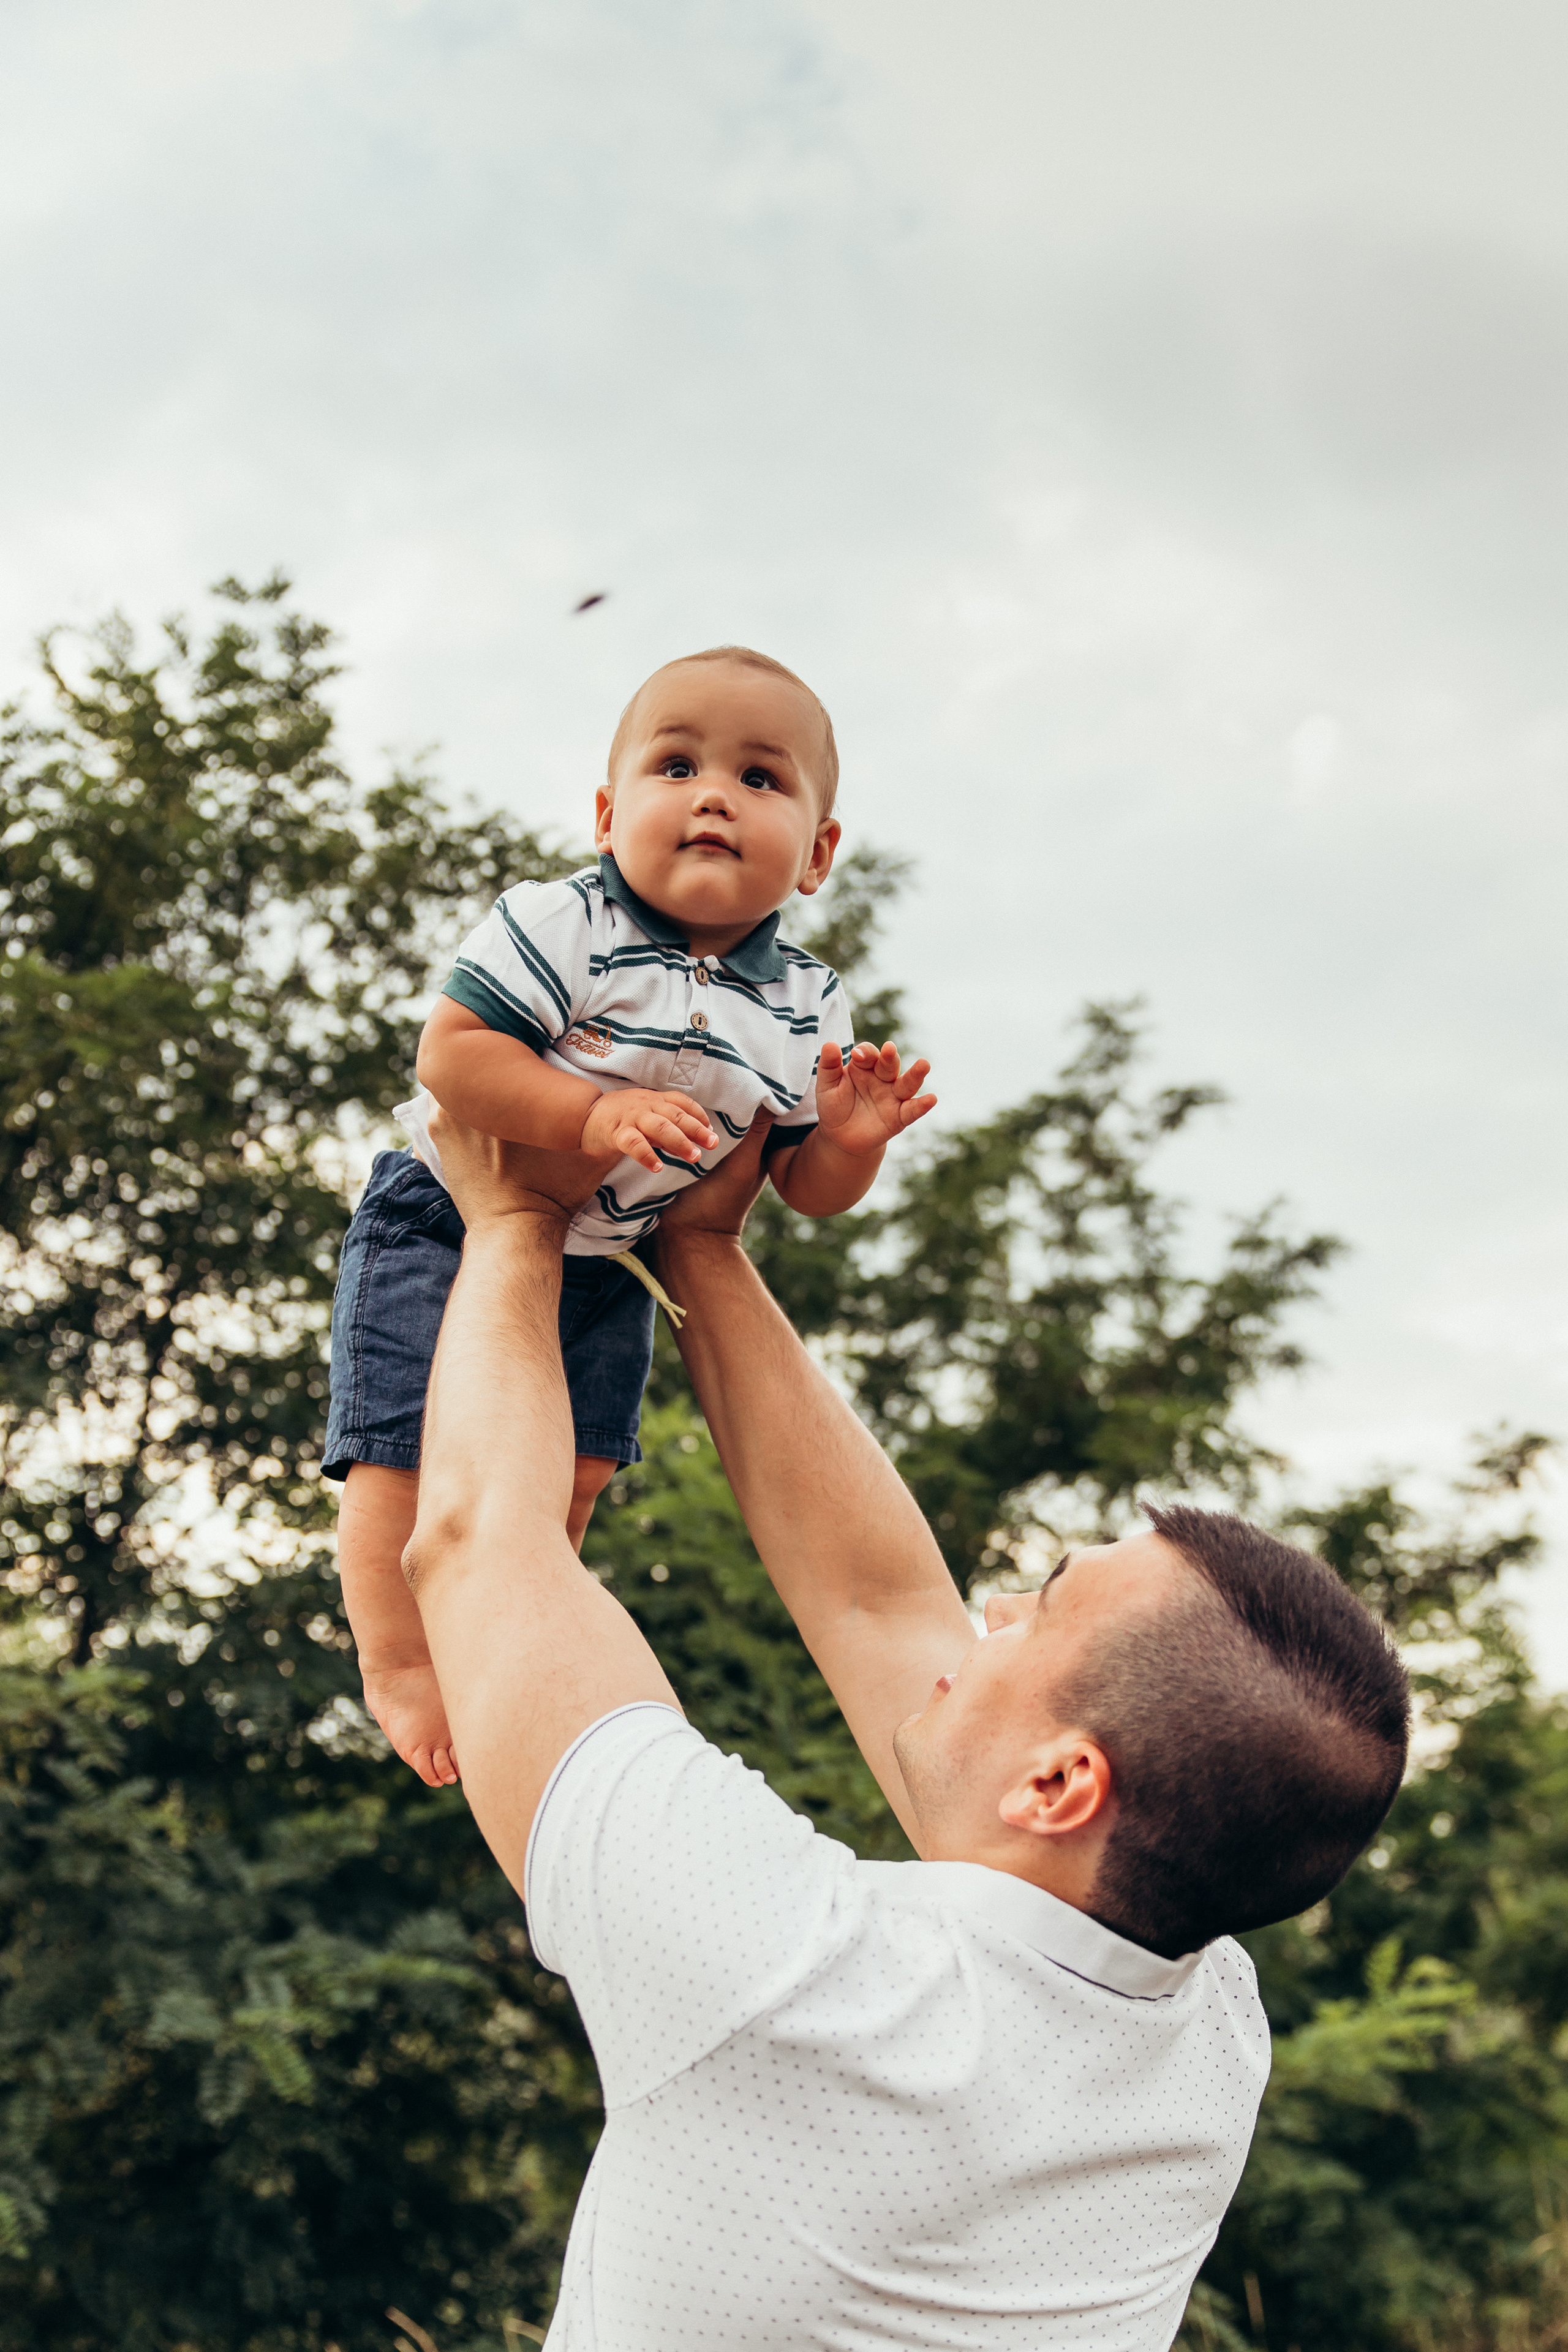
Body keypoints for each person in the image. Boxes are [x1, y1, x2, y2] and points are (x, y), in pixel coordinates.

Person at [401, 1106, 1411, 2352]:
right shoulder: (1200, 2036)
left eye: (1036, 1614)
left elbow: (480, 1546)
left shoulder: (787, 1983)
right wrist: (703, 1255)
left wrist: (512, 1219)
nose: (981, 1616)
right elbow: (876, 1604)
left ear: (1057, 1786)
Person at [322, 646, 936, 1787]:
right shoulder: (566, 921)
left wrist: (848, 1145)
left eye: (762, 778)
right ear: (609, 814)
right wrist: (588, 1117)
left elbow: (794, 1183)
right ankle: (404, 1663)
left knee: (584, 1465)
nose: (713, 794)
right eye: (676, 764)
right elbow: (454, 1058)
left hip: (613, 1255)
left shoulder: (805, 1002)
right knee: (399, 1457)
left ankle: (508, 1633)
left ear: (817, 852)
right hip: (444, 1220)